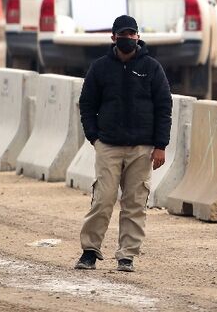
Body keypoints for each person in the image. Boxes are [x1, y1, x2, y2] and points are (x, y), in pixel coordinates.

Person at [75, 15, 172, 272]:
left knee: (135, 203)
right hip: (108, 145)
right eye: (122, 35)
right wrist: (94, 137)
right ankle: (89, 251)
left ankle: (127, 255)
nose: (127, 39)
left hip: (142, 148)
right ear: (113, 38)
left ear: (138, 37)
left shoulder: (152, 68)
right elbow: (86, 105)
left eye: (132, 34)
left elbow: (164, 107)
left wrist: (161, 145)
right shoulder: (100, 68)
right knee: (103, 199)